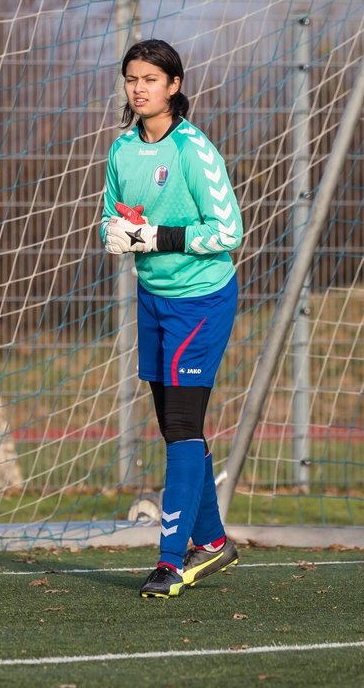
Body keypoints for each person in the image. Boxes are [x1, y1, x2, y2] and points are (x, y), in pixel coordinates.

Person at [100, 39, 244, 599]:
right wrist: (116, 232)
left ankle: (170, 559)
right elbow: (112, 213)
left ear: (174, 86)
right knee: (175, 426)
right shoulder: (121, 150)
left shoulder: (194, 150)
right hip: (154, 301)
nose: (139, 89)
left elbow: (229, 232)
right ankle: (212, 542)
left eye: (151, 80)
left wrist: (160, 236)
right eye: (132, 79)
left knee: (182, 427)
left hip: (202, 300)